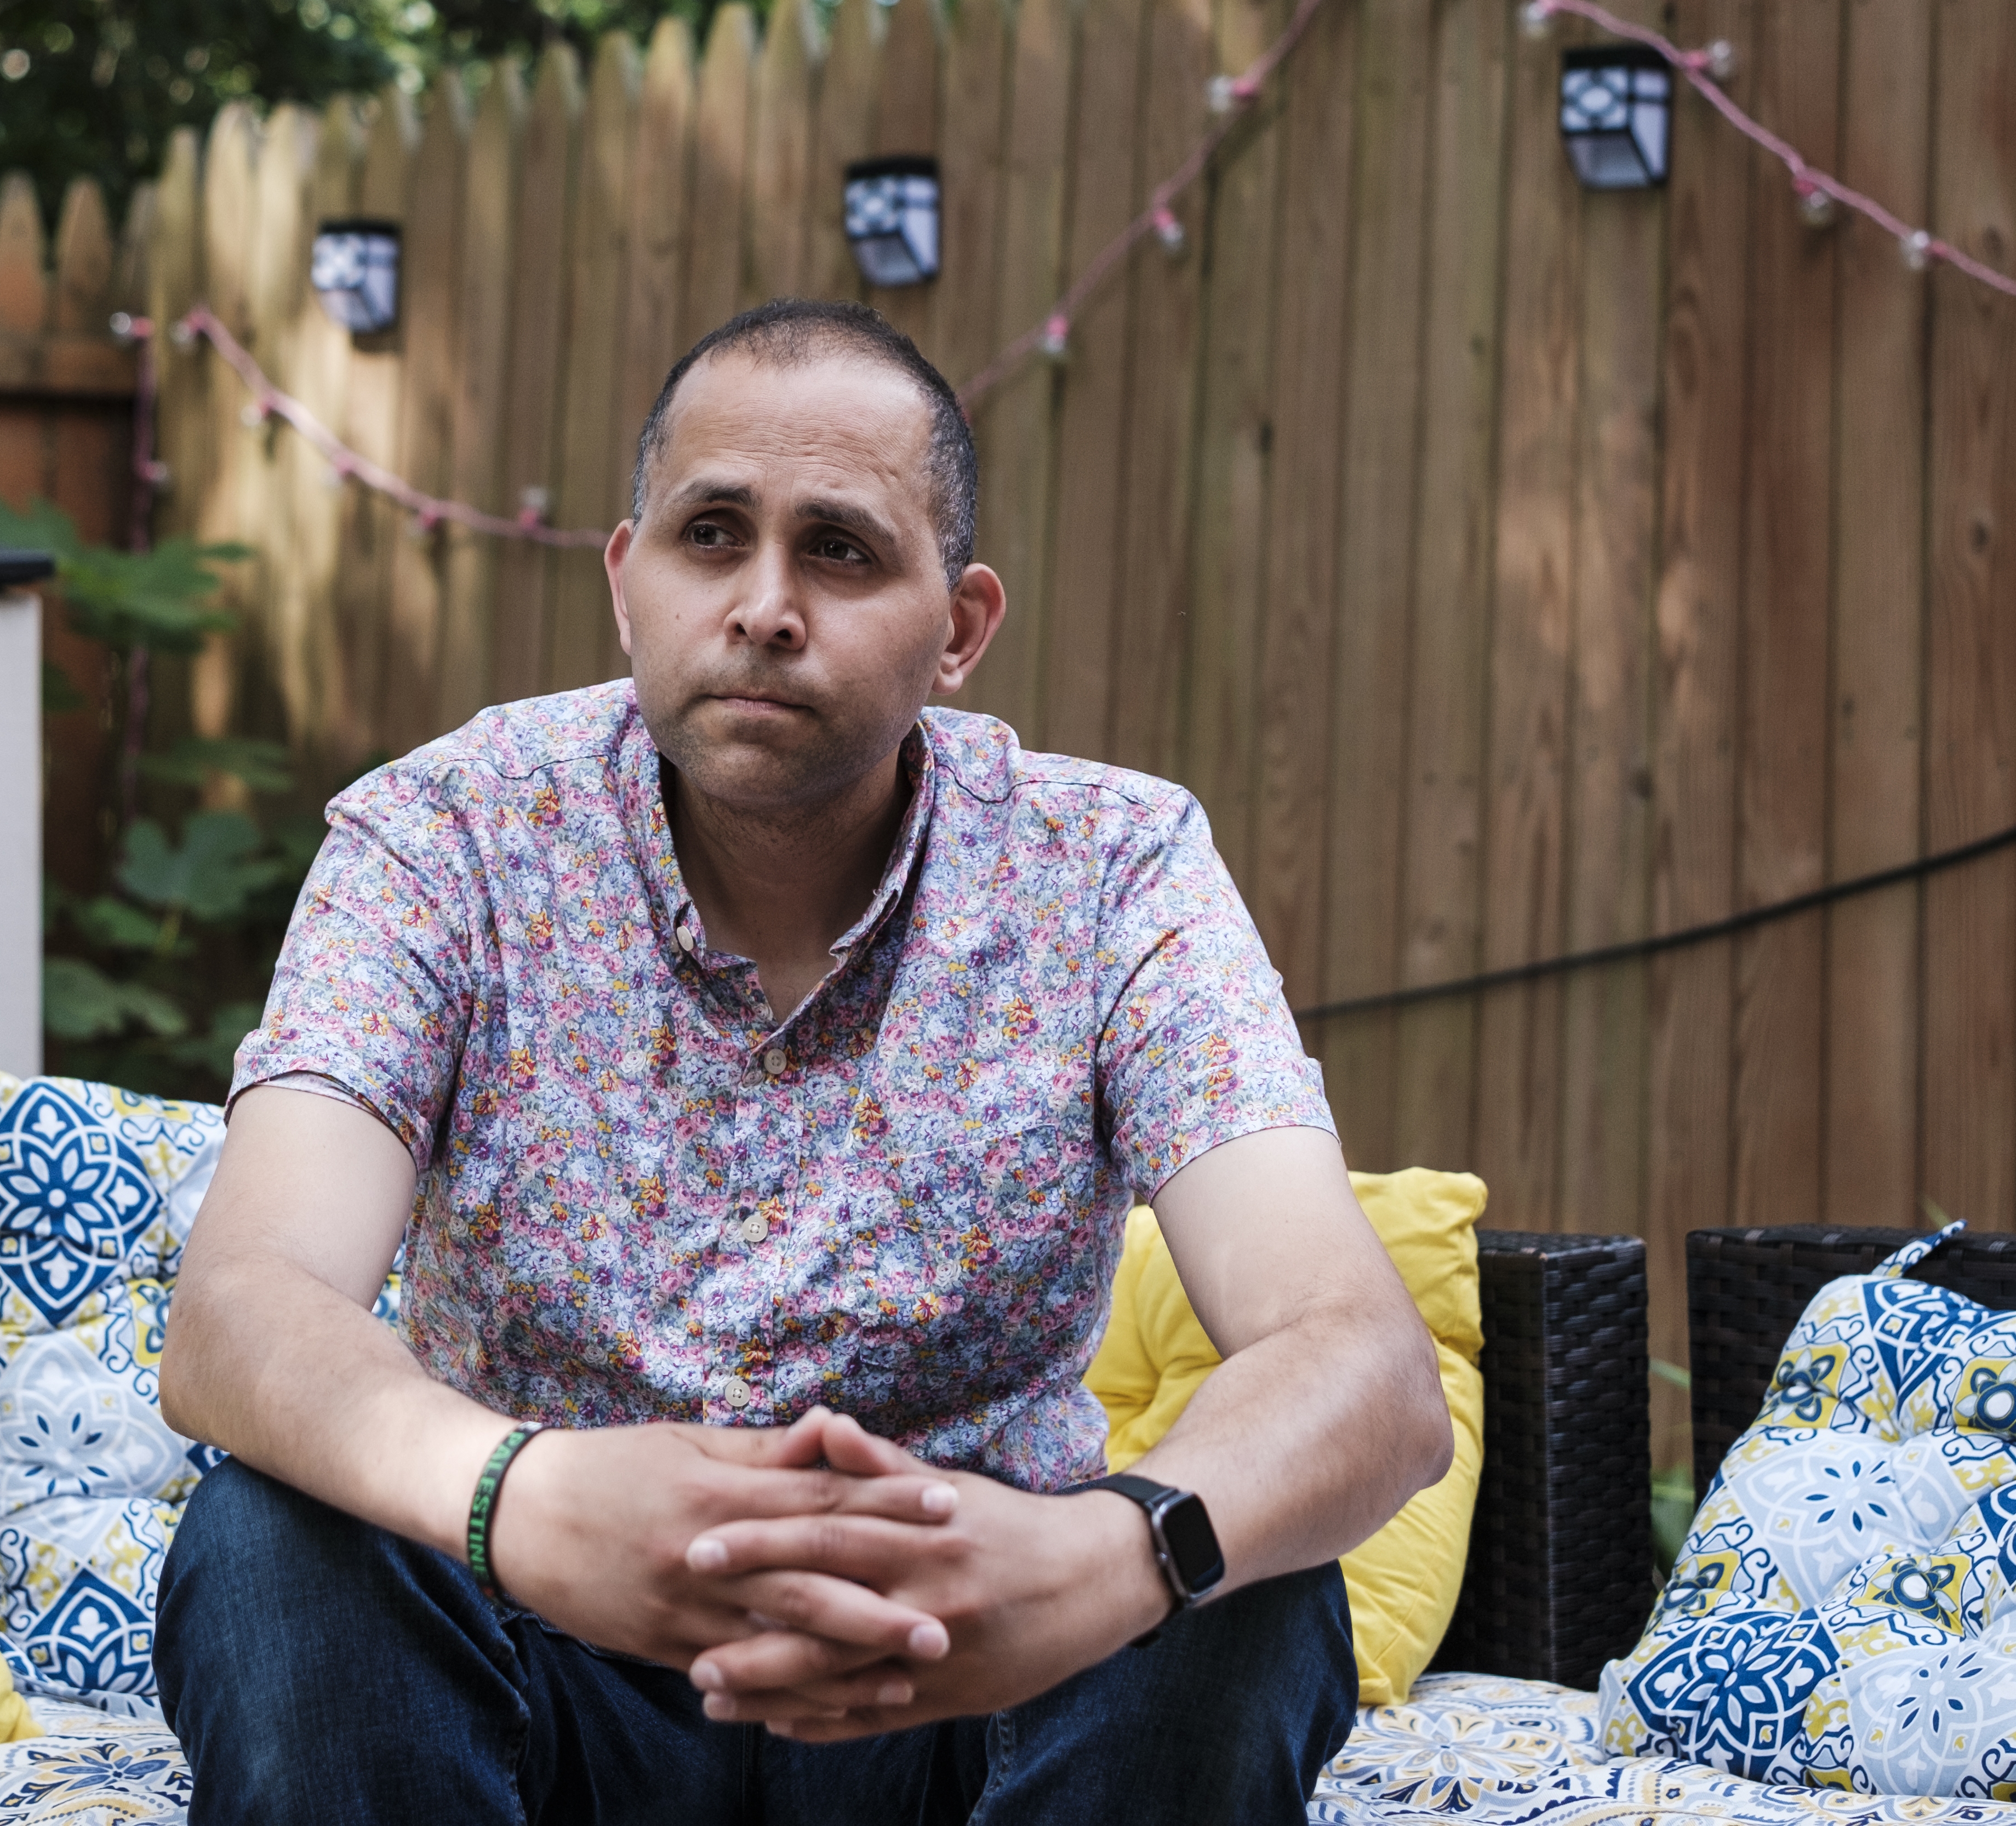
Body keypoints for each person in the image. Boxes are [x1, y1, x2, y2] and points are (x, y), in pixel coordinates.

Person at [153, 298, 1454, 1825]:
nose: (765, 603)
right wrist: (521, 1495)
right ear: (627, 581)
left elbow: (1365, 1367)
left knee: (1229, 1569)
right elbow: (238, 1314)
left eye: (838, 549)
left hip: (969, 1676)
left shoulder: (1109, 866)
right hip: (538, 1649)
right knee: (264, 1537)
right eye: (712, 534)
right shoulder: (442, 838)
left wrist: (1109, 1552)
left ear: (960, 627)